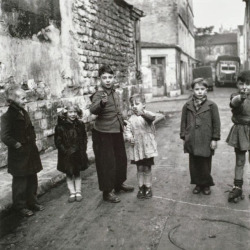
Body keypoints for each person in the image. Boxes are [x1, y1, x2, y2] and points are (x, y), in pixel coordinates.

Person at [90, 65, 134, 203]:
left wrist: (123, 121)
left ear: (114, 78)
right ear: (100, 79)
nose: (107, 80)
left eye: (110, 77)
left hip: (116, 131)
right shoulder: (99, 94)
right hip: (103, 133)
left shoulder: (115, 93)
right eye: (104, 78)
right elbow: (93, 110)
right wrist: (101, 104)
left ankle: (118, 185)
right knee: (106, 163)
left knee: (120, 159)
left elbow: (117, 110)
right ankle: (107, 192)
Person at [1, 85, 44, 217]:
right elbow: (4, 136)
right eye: (23, 98)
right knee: (20, 181)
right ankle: (20, 206)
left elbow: (30, 128)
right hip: (19, 154)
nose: (25, 101)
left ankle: (32, 201)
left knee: (32, 177)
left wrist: (33, 140)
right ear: (13, 100)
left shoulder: (23, 112)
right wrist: (17, 145)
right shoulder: (8, 116)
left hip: (30, 151)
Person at [180, 78, 221, 195]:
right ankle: (198, 184)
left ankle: (206, 184)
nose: (199, 92)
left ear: (206, 90)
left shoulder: (212, 106)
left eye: (202, 89)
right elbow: (183, 122)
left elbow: (216, 124)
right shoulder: (187, 106)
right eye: (197, 89)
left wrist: (214, 139)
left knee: (205, 163)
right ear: (192, 90)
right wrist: (184, 136)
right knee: (194, 163)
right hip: (192, 139)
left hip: (206, 139)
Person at [124, 94, 158, 199]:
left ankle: (148, 187)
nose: (134, 106)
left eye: (137, 104)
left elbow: (152, 118)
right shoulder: (130, 118)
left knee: (147, 167)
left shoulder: (147, 115)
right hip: (137, 148)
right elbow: (127, 130)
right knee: (139, 168)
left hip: (147, 147)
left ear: (144, 105)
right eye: (132, 104)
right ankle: (141, 187)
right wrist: (130, 137)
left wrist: (142, 113)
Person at [54, 104, 88, 202]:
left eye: (75, 112)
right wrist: (65, 151)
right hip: (67, 155)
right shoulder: (60, 126)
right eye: (70, 112)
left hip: (78, 153)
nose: (73, 114)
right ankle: (72, 192)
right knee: (69, 173)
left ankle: (78, 191)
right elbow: (58, 142)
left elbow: (84, 138)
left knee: (77, 172)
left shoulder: (80, 124)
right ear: (65, 113)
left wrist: (83, 149)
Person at [226, 71, 250, 203]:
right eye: (241, 84)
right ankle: (237, 187)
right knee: (240, 161)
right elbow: (234, 103)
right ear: (237, 84)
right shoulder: (236, 96)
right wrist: (241, 97)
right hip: (240, 130)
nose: (244, 86)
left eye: (248, 84)